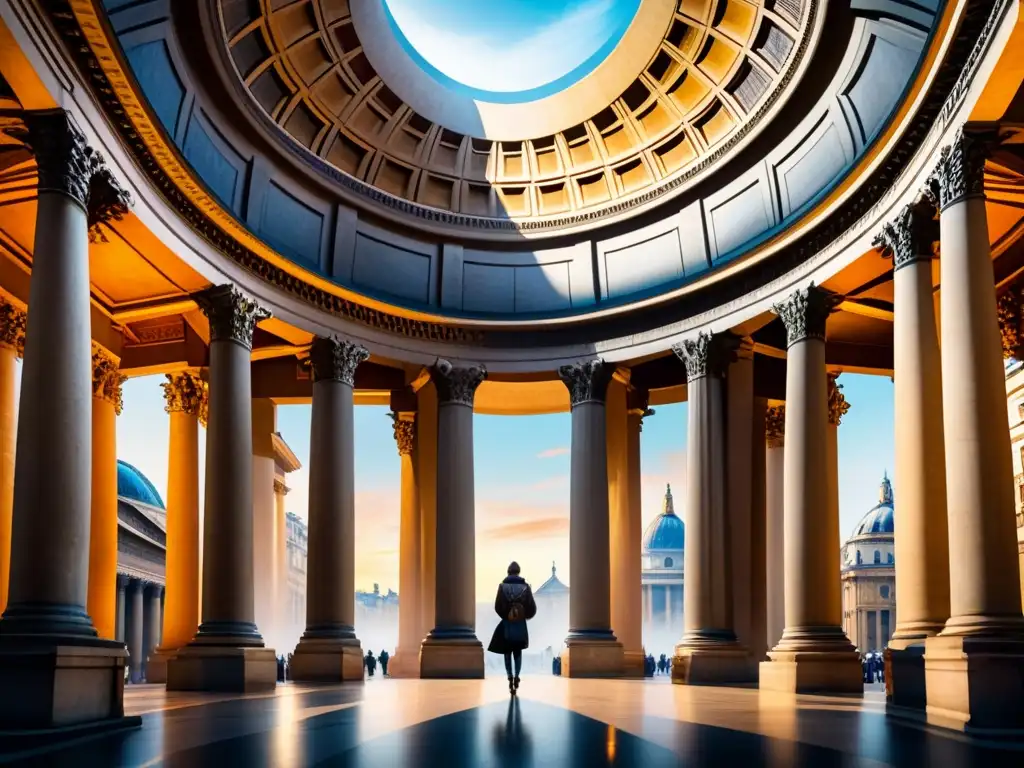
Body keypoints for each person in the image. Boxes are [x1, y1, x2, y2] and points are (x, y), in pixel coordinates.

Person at [487, 561, 537, 696]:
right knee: (518, 651)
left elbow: (498, 606)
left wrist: (506, 616)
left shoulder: (502, 586)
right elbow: (532, 607)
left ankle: (509, 678)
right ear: (518, 571)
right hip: (520, 624)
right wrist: (523, 616)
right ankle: (517, 676)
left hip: (507, 623)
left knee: (507, 651)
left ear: (508, 572)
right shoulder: (526, 587)